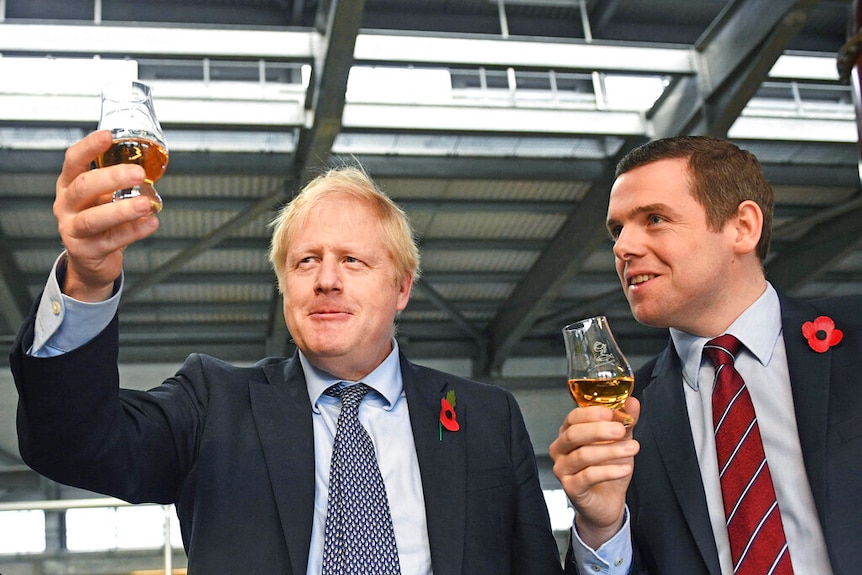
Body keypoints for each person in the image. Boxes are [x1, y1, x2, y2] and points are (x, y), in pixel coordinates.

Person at [10, 129, 570, 574]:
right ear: (285, 286)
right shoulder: (213, 405)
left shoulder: (485, 418)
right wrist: (86, 278)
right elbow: (73, 444)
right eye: (305, 262)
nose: (326, 279)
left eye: (353, 260)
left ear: (402, 287)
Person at [549, 136, 861, 575]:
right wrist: (601, 527)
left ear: (743, 227)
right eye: (618, 230)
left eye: (654, 219)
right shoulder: (627, 419)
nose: (622, 247)